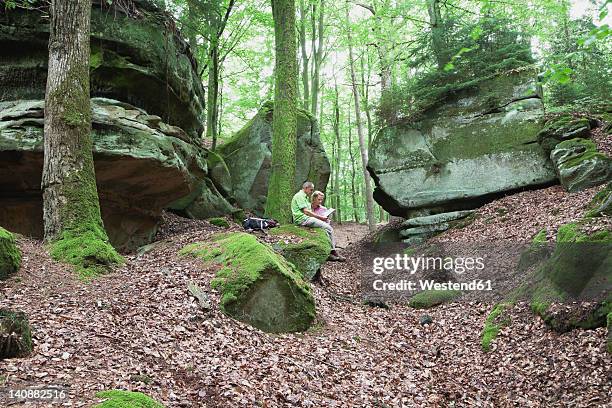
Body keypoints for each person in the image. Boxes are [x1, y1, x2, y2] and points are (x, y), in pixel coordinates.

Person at [291, 181, 345, 262]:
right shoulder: (300, 196)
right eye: (311, 190)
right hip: (303, 219)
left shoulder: (304, 197)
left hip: (305, 218)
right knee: (329, 228)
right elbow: (306, 211)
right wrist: (321, 217)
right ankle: (333, 251)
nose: (311, 192)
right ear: (306, 188)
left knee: (325, 228)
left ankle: (330, 251)